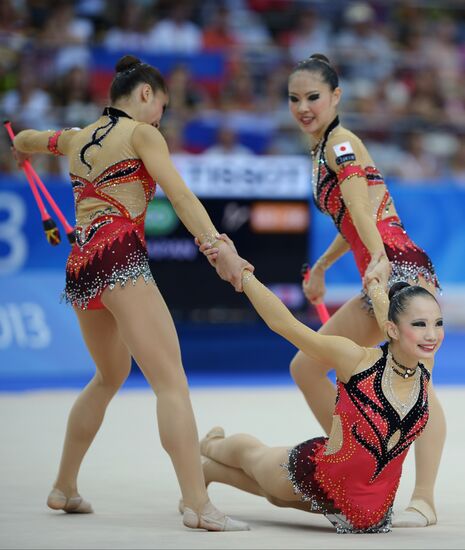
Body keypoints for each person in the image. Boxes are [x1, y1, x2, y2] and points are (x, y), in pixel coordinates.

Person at [12, 54, 251, 531]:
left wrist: (20, 145)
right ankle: (198, 505)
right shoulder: (143, 134)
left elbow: (29, 139)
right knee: (170, 382)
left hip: (80, 265)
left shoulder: (78, 137)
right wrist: (217, 247)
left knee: (108, 376)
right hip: (118, 254)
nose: (161, 117)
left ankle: (64, 486)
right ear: (145, 94)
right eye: (161, 106)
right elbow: (180, 195)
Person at [287, 53, 445, 527]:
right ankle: (356, 459)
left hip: (398, 269)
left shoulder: (340, 143)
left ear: (336, 97)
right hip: (382, 267)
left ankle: (424, 497)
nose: (303, 107)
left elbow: (358, 202)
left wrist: (377, 260)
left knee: (418, 387)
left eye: (313, 97)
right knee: (306, 367)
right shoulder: (322, 149)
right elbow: (353, 218)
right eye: (294, 99)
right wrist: (321, 266)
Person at [193, 247, 444, 534]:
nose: (432, 335)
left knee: (275, 498)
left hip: (366, 510)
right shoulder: (356, 361)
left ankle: (210, 471)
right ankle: (210, 446)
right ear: (394, 330)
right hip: (317, 475)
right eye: (420, 324)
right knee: (256, 461)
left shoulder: (425, 366)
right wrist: (242, 273)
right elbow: (285, 325)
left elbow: (386, 313)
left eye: (438, 323)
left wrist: (376, 283)